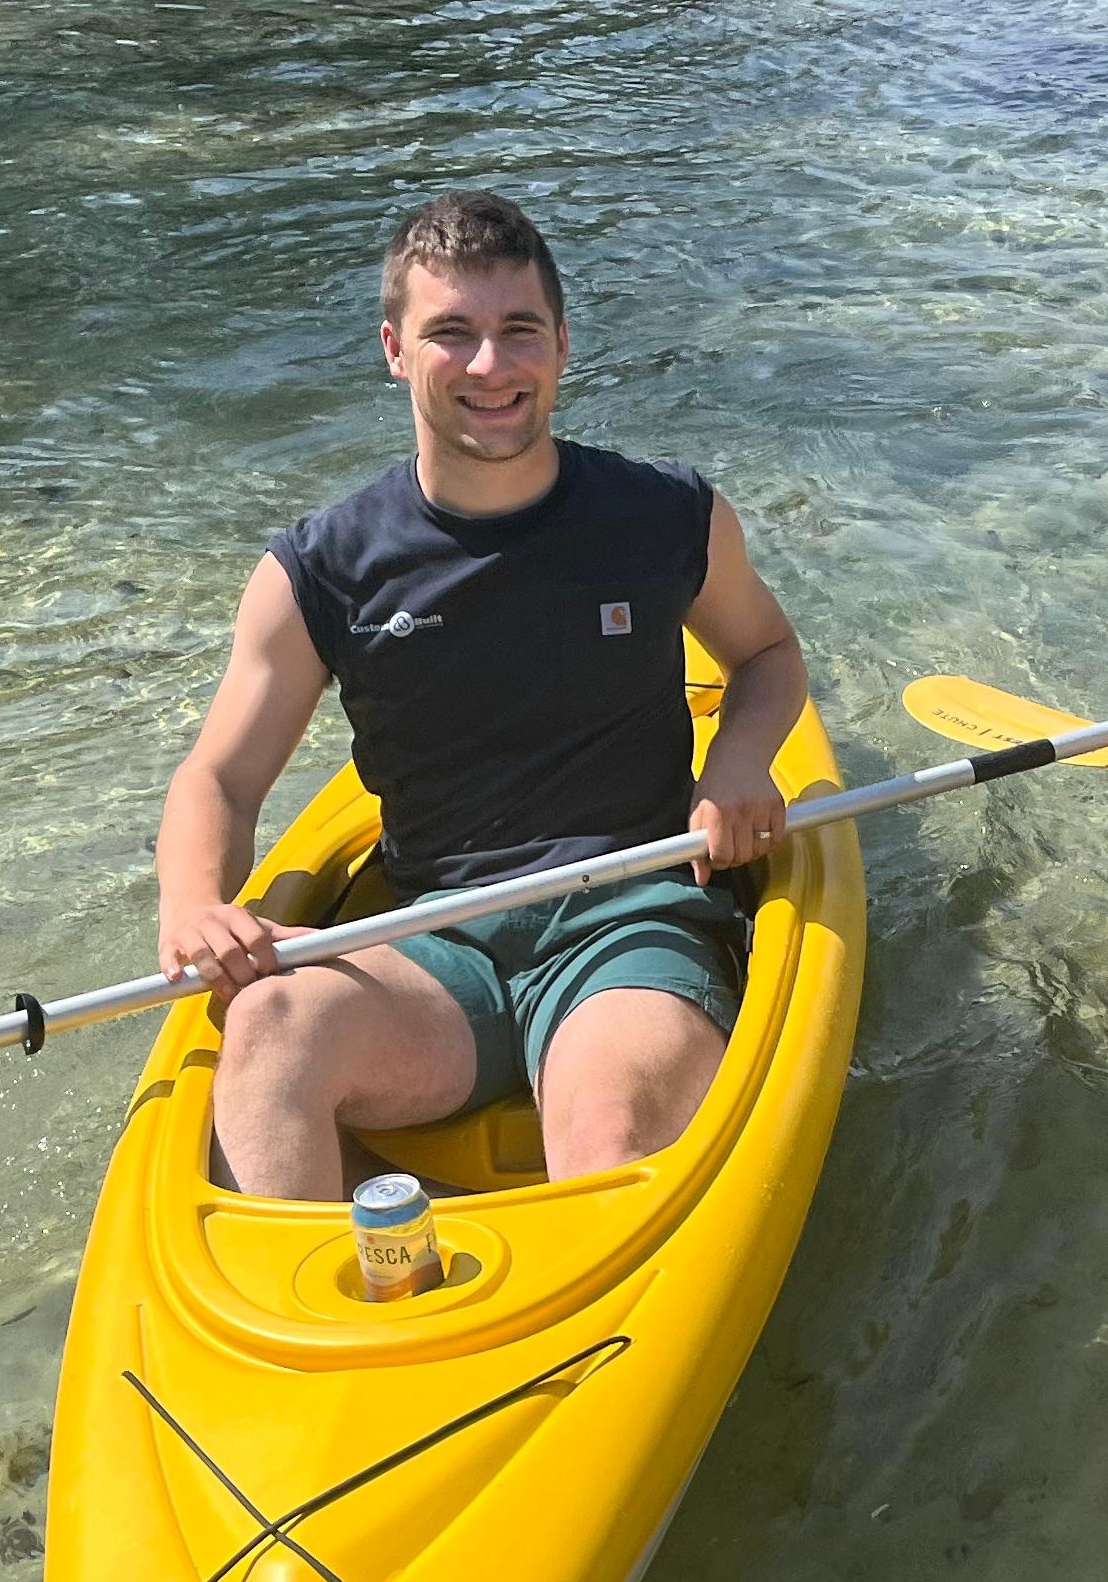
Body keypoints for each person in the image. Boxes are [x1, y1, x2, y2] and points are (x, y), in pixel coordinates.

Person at [154, 191, 810, 1197]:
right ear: (394, 349)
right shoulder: (319, 569)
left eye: (520, 331)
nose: (490, 366)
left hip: (630, 919)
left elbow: (764, 654)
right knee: (271, 1022)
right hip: (433, 945)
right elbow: (221, 779)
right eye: (451, 333)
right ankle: (310, 1292)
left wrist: (736, 766)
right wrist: (194, 905)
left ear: (563, 345)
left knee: (607, 1127)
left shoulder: (665, 515)